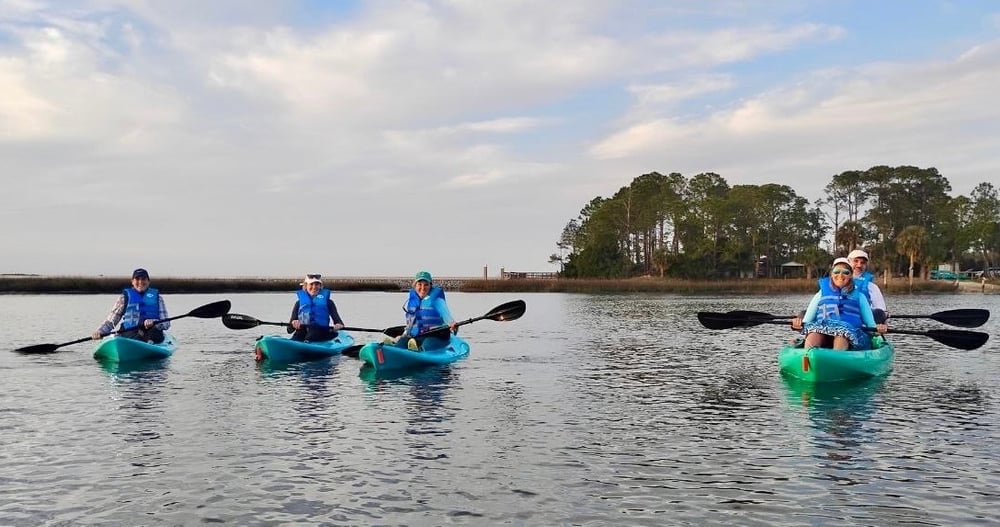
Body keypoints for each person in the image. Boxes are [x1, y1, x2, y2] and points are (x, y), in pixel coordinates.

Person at [791, 258, 885, 350]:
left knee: (841, 335)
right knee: (813, 335)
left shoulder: (860, 296)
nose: (840, 275)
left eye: (845, 272)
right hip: (823, 329)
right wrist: (798, 325)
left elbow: (870, 325)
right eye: (836, 272)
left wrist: (878, 330)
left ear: (851, 275)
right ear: (831, 275)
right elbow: (806, 321)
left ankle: (836, 359)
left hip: (849, 334)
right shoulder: (820, 294)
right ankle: (809, 357)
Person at [92, 268, 169, 343]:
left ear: (148, 282)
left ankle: (148, 343)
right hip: (130, 333)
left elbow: (166, 324)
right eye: (137, 279)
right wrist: (100, 331)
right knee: (132, 334)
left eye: (143, 279)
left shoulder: (158, 299)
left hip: (152, 333)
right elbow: (111, 321)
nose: (140, 282)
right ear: (132, 282)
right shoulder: (124, 298)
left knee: (152, 333)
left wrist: (155, 322)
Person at [393, 271, 457, 351]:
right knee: (402, 342)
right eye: (419, 284)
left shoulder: (437, 300)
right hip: (417, 336)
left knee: (427, 344)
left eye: (426, 285)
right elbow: (410, 324)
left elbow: (447, 316)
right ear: (415, 286)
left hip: (436, 336)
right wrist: (404, 335)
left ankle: (417, 351)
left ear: (430, 286)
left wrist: (451, 323)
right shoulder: (412, 301)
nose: (423, 288)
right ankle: (395, 347)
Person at [288, 273, 344, 342]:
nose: (314, 287)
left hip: (321, 333)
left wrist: (339, 325)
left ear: (320, 286)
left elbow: (339, 322)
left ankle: (307, 345)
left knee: (313, 328)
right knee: (300, 333)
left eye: (317, 284)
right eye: (311, 284)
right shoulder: (298, 303)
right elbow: (289, 330)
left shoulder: (329, 302)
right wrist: (293, 323)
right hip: (302, 332)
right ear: (306, 286)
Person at [847, 249, 888, 314]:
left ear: (866, 265)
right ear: (848, 263)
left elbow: (881, 310)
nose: (859, 265)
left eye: (862, 263)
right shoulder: (838, 284)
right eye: (856, 261)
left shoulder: (872, 287)